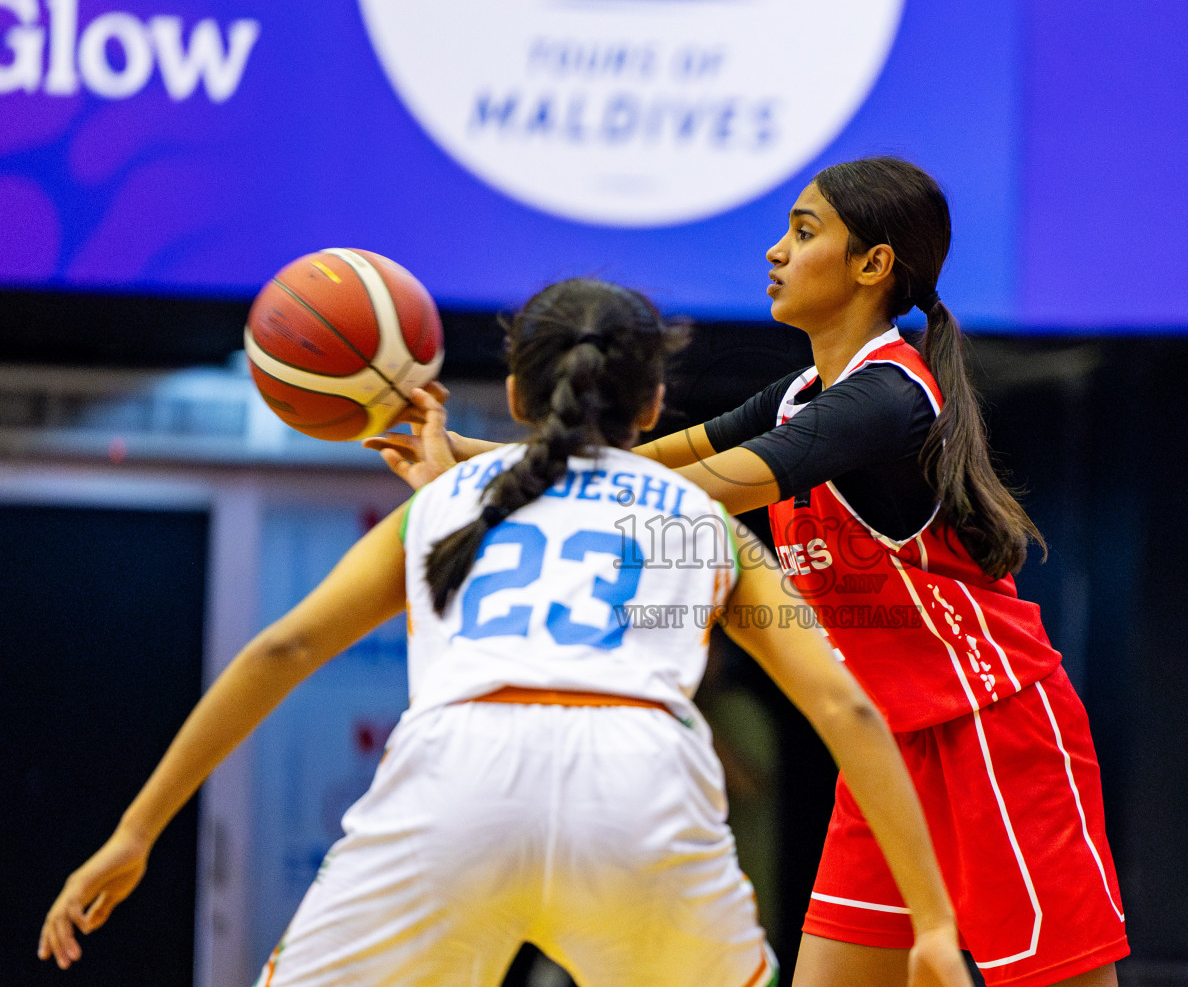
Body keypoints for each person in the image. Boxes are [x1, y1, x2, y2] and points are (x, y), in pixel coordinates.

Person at [38, 279, 973, 987]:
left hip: (456, 780)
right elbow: (843, 705)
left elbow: (281, 651)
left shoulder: (446, 504)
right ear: (652, 410)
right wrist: (932, 922)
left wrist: (135, 831)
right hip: (639, 790)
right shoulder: (701, 519)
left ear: (520, 399)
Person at [371, 158, 1128, 987]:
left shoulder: (884, 400)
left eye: (804, 233)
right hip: (889, 746)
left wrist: (477, 479)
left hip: (992, 726)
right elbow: (621, 461)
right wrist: (458, 456)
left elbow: (674, 493)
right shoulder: (799, 392)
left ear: (874, 264)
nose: (775, 252)